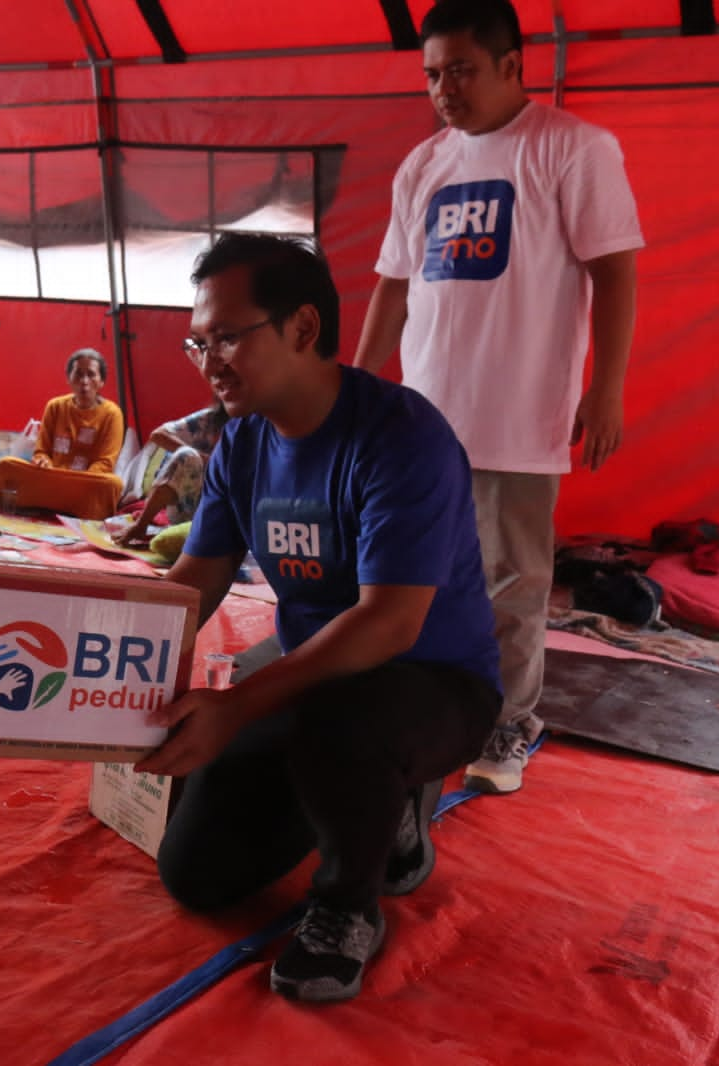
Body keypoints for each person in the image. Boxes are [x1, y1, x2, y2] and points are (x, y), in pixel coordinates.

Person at [138, 233, 501, 1004]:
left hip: (432, 684)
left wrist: (238, 705)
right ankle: (367, 810)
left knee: (339, 719)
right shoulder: (239, 444)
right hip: (313, 683)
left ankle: (345, 905)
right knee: (196, 875)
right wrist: (99, 664)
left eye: (228, 336)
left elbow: (387, 626)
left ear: (302, 328)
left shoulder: (400, 437)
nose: (209, 360)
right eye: (198, 342)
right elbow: (194, 580)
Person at [351, 0, 643, 794]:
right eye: (431, 75)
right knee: (412, 570)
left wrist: (604, 389)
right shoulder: (423, 164)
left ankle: (512, 719)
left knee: (513, 579)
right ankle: (429, 700)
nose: (443, 89)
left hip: (519, 413)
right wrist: (354, 381)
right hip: (425, 415)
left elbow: (613, 271)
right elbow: (392, 285)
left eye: (460, 70)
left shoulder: (571, 148)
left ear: (512, 64)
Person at [0, 348, 124, 520]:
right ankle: (68, 504)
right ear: (69, 378)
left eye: (91, 375)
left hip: (86, 482)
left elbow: (105, 462)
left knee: (112, 485)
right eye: (78, 374)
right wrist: (43, 461)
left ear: (101, 381)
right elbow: (42, 451)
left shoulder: (112, 414)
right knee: (6, 465)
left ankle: (48, 502)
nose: (84, 381)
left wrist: (76, 481)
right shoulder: (55, 406)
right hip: (52, 477)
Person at [111, 399, 226, 547]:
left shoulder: (258, 424)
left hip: (233, 513)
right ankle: (141, 526)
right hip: (193, 510)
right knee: (187, 455)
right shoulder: (209, 420)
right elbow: (158, 435)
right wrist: (204, 459)